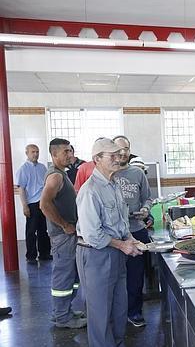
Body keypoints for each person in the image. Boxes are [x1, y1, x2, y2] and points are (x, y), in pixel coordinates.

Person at [76, 138, 143, 347]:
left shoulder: (114, 184)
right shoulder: (90, 190)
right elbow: (92, 235)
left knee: (119, 308)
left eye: (120, 153)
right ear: (97, 159)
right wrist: (123, 245)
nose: (118, 157)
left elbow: (121, 221)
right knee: (100, 312)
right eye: (112, 155)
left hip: (116, 252)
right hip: (96, 254)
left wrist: (130, 239)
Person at [39, 138, 86, 329]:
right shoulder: (55, 177)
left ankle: (65, 311)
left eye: (71, 151)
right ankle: (62, 317)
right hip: (63, 236)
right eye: (66, 151)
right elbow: (44, 204)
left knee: (72, 275)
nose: (70, 155)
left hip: (69, 234)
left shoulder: (61, 173)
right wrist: (64, 225)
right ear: (54, 154)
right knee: (64, 275)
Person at [112, 136, 152, 327]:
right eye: (119, 149)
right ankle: (115, 314)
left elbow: (148, 199)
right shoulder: (107, 173)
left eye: (126, 149)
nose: (123, 152)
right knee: (114, 277)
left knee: (136, 278)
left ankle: (134, 312)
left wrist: (145, 210)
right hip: (115, 235)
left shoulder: (138, 173)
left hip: (137, 231)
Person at [16, 144, 51, 264]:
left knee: (43, 230)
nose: (35, 154)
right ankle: (31, 255)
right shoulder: (23, 169)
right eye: (33, 152)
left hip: (43, 202)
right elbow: (21, 189)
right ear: (27, 153)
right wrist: (25, 206)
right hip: (32, 203)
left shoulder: (42, 167)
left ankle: (44, 254)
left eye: (37, 151)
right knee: (31, 231)